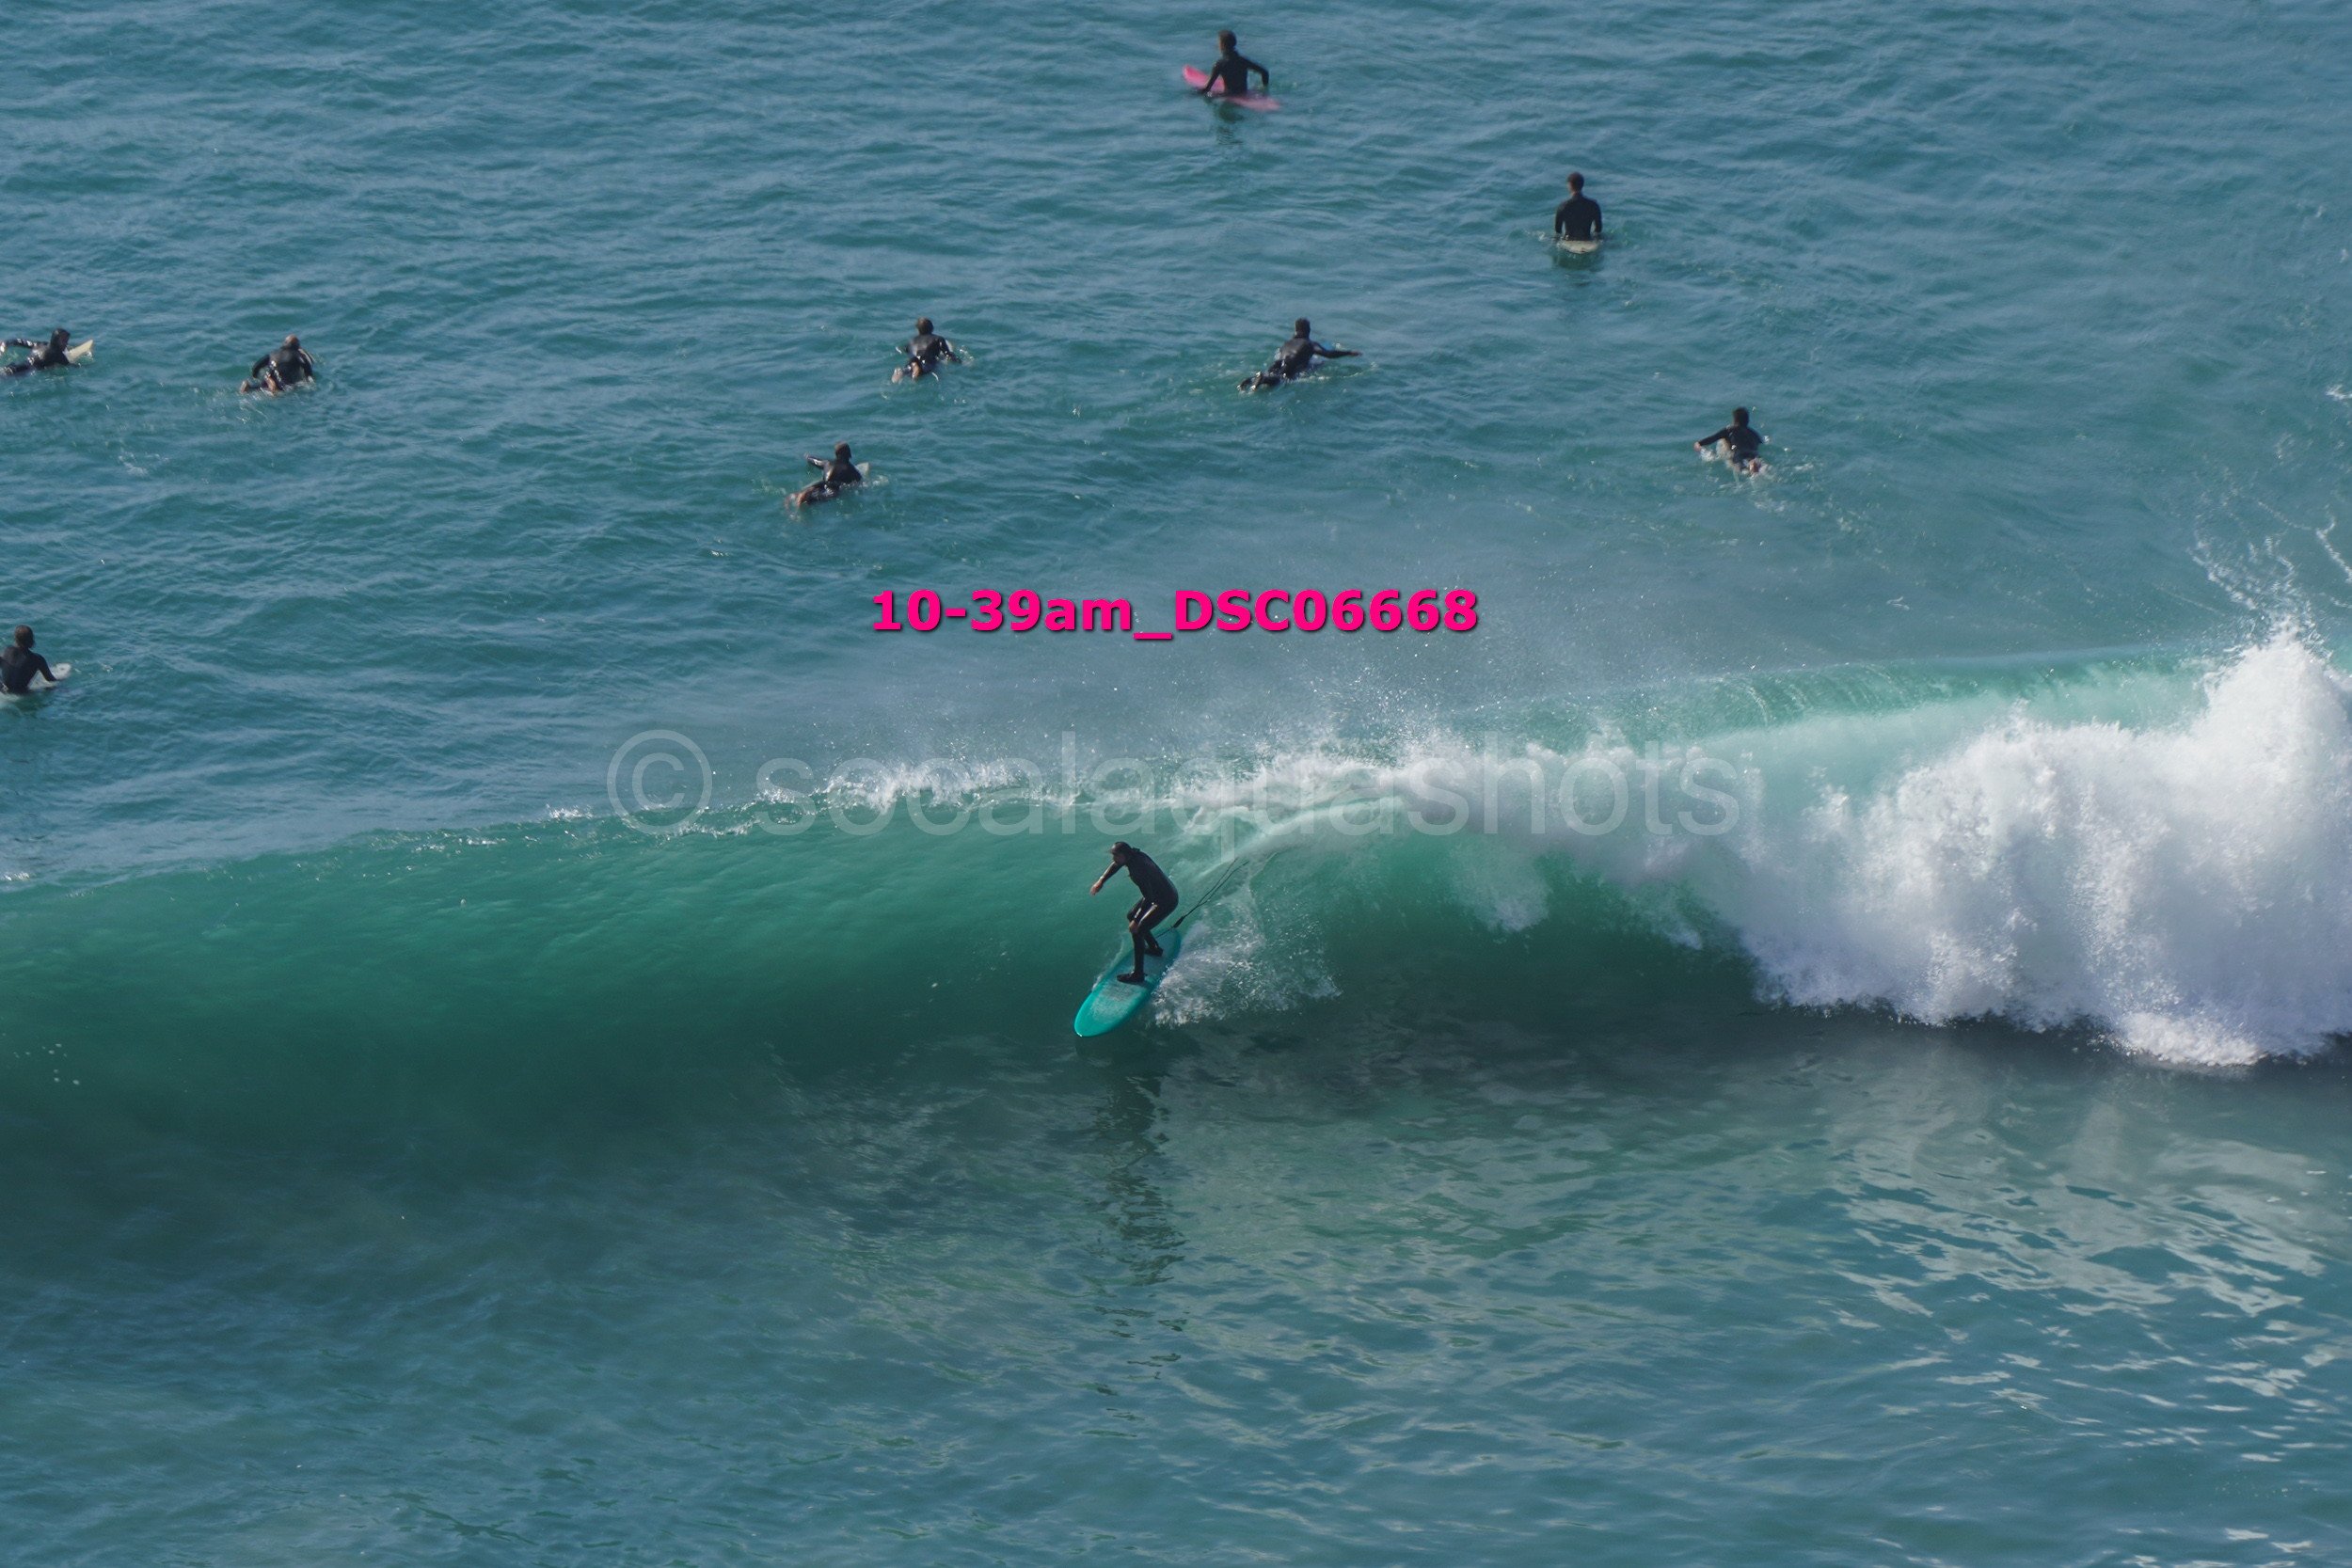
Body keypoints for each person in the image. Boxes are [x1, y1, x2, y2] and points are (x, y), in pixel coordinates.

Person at [1090, 841, 1182, 985]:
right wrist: (1101, 881)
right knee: (1131, 916)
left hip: (1166, 900)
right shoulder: (1132, 856)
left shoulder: (1139, 868)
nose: (1114, 860)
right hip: (1159, 895)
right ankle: (1154, 948)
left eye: (1116, 856)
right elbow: (1116, 864)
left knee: (1138, 929)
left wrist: (1137, 921)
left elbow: (1149, 898)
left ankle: (1138, 974)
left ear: (1125, 855)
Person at [1240, 318, 1360, 391]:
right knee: (1280, 380)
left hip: (1277, 363)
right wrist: (1349, 352)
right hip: (1291, 366)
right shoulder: (1309, 343)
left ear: (1295, 330)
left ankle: (1252, 379)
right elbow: (1328, 354)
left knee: (1273, 373)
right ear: (1308, 331)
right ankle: (1263, 378)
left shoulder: (1287, 343)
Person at [1196, 30, 1269, 99]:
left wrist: (1193, 94)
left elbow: (1207, 88)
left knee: (1207, 94)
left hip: (1229, 95)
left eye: (1219, 43)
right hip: (1244, 92)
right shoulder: (1243, 60)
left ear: (1222, 45)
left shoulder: (1220, 64)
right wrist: (1263, 89)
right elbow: (1265, 72)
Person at [1695, 407, 1766, 473]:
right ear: (1747, 421)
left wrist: (1698, 444)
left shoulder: (1729, 430)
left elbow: (1712, 439)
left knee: (1741, 468)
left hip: (1738, 454)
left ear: (1734, 420)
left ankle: (1751, 467)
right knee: (1756, 464)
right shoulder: (1754, 434)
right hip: (1753, 453)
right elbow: (1761, 444)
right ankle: (1753, 465)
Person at [793, 442, 865, 508]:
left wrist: (808, 457)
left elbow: (814, 461)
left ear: (836, 454)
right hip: (832, 490)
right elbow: (860, 483)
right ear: (849, 454)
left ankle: (804, 495)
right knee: (817, 500)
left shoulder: (827, 463)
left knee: (811, 495)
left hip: (822, 484)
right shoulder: (851, 470)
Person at [243, 334, 316, 394]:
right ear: (297, 345)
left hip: (270, 371)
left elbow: (256, 367)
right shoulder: (298, 355)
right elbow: (307, 368)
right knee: (286, 388)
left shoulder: (272, 354)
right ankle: (273, 387)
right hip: (283, 373)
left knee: (263, 387)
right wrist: (309, 378)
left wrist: (254, 376)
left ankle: (249, 386)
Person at [894, 318, 961, 382]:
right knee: (925, 371)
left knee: (907, 370)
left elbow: (906, 350)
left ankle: (903, 371)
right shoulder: (938, 339)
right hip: (927, 361)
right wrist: (958, 361)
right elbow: (947, 354)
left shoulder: (912, 341)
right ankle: (917, 368)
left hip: (911, 361)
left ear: (918, 330)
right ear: (932, 328)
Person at [1, 626, 57, 694]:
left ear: (15, 639)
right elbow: (50, 680)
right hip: (22, 695)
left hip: (4, 691)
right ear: (31, 640)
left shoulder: (6, 651)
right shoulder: (37, 659)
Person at [3, 328, 76, 377]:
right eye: (64, 341)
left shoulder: (41, 344)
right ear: (56, 341)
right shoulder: (57, 354)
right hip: (25, 372)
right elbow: (71, 366)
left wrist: (7, 343)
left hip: (16, 366)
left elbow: (21, 342)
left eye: (66, 341)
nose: (66, 344)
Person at [1554, 172, 1603, 243]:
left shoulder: (1563, 206)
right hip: (1587, 240)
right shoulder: (1593, 205)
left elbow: (1558, 231)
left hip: (1569, 241)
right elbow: (1598, 229)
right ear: (1582, 185)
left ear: (1569, 185)